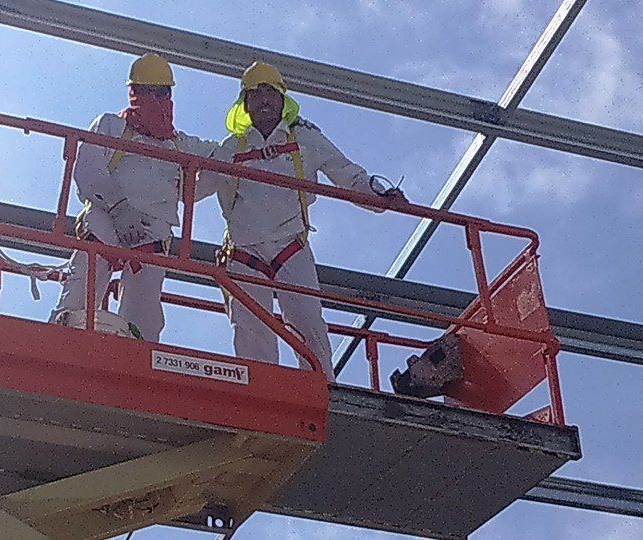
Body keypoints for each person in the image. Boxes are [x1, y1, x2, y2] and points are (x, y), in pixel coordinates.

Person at [197, 61, 407, 381]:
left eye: (270, 93)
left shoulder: (306, 139)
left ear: (283, 101)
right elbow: (191, 188)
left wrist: (381, 197)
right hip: (243, 250)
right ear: (245, 104)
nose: (264, 100)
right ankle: (259, 394)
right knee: (251, 328)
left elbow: (348, 175)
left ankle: (321, 389)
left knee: (308, 323)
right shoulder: (230, 150)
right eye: (255, 94)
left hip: (290, 246)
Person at [50, 53, 216, 341]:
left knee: (143, 322)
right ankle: (52, 353)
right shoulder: (112, 126)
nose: (156, 100)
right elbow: (87, 172)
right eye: (147, 92)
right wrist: (119, 208)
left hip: (151, 237)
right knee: (74, 306)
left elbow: (223, 159)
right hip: (103, 225)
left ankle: (135, 368)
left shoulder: (180, 145)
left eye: (162, 93)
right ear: (134, 93)